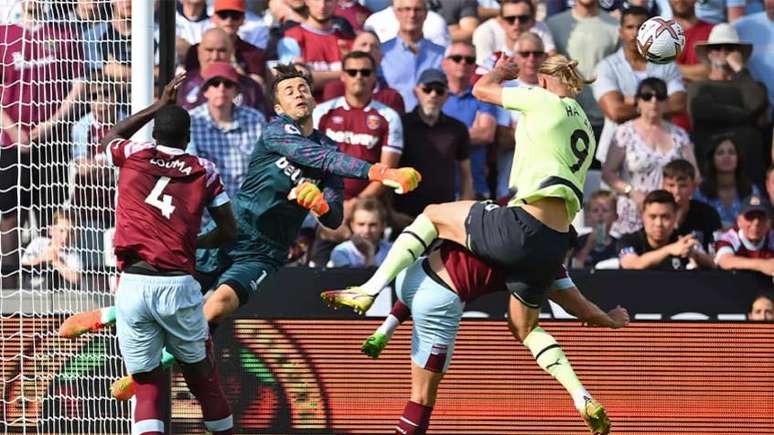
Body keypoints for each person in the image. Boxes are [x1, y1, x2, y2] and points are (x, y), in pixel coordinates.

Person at [60, 64, 422, 399]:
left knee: (216, 307)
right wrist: (381, 173)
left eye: (302, 88)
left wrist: (321, 206)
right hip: (230, 230)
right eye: (289, 91)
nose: (298, 93)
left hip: (266, 252)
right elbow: (318, 159)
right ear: (279, 107)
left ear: (313, 98)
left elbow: (334, 218)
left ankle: (153, 369)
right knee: (171, 297)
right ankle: (111, 316)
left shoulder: (332, 150)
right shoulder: (277, 133)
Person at [322, 53, 608, 432]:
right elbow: (575, 302)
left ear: (542, 81)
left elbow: (481, 90)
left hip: (516, 227)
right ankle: (581, 396)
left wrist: (502, 73)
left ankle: (370, 289)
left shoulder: (543, 99)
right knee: (525, 328)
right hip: (554, 239)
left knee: (435, 213)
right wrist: (606, 318)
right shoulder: (587, 127)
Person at [341, 240, 628, 434]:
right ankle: (580, 394)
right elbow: (582, 310)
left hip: (410, 274)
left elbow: (437, 221)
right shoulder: (550, 260)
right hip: (439, 301)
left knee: (426, 270)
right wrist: (611, 319)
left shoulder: (489, 217)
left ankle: (383, 329)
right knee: (422, 398)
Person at [97, 75, 238, 435]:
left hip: (133, 283)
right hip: (178, 284)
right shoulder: (204, 170)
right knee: (203, 378)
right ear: (187, 138)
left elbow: (109, 138)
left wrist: (157, 105)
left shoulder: (133, 155)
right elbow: (229, 230)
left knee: (146, 385)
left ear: (155, 133)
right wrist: (198, 242)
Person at [601, 78, 698, 235]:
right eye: (647, 96)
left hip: (668, 215)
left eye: (660, 96)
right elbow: (608, 173)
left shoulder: (679, 135)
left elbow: (694, 174)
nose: (654, 101)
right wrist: (631, 191)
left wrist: (680, 201)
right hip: (632, 211)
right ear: (638, 102)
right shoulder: (624, 132)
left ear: (666, 102)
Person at [594, 7, 688, 160]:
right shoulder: (606, 67)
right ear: (620, 31)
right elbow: (615, 112)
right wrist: (658, 105)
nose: (636, 33)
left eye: (642, 27)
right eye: (630, 27)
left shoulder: (667, 65)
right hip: (616, 156)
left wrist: (629, 100)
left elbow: (679, 104)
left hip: (660, 154)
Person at [687, 24, 769, 183]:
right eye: (717, 48)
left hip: (750, 171)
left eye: (729, 48)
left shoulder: (752, 85)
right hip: (711, 170)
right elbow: (704, 112)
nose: (723, 52)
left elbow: (757, 103)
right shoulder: (698, 87)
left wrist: (740, 69)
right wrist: (747, 116)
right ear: (709, 54)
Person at [393, 69, 474, 218]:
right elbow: (388, 168)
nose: (433, 95)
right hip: (404, 214)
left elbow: (466, 174)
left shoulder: (457, 129)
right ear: (416, 91)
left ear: (447, 96)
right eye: (427, 89)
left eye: (439, 90)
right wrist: (391, 213)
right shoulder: (400, 124)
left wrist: (465, 214)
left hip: (444, 216)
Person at [189, 62, 267, 198]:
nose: (221, 88)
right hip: (206, 208)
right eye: (215, 83)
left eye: (228, 84)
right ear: (205, 91)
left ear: (236, 91)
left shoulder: (255, 119)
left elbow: (265, 166)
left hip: (248, 205)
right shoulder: (191, 121)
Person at [441, 41, 497, 199]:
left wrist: (444, 135)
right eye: (457, 58)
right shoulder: (435, 93)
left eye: (469, 60)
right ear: (444, 63)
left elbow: (486, 134)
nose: (463, 63)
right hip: (441, 188)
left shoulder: (483, 96)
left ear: (474, 66)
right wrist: (471, 132)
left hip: (476, 188)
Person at [618, 190, 715, 270]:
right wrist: (669, 250)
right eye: (652, 217)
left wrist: (694, 254)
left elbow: (715, 265)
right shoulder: (628, 241)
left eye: (665, 217)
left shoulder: (683, 240)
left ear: (675, 217)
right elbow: (632, 265)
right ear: (642, 216)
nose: (658, 223)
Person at [177, 27, 265, 112]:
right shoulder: (182, 85)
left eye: (221, 51)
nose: (215, 57)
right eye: (209, 50)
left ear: (231, 52)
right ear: (199, 51)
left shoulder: (250, 88)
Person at [379, 0, 446, 111]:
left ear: (426, 14)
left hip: (431, 121)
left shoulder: (441, 53)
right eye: (406, 9)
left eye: (417, 9)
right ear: (396, 13)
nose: (412, 15)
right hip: (394, 119)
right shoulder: (382, 53)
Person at [321, 30, 406, 113]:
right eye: (363, 45)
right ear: (352, 51)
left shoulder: (391, 97)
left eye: (374, 46)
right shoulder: (335, 90)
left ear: (381, 57)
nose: (368, 49)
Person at [693, 134, 762, 229]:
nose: (726, 156)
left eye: (731, 152)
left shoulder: (751, 190)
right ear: (712, 159)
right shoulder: (700, 192)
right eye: (720, 153)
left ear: (738, 158)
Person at [660, 159, 722, 252]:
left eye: (683, 186)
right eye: (671, 185)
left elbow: (717, 252)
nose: (676, 191)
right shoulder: (655, 213)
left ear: (693, 186)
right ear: (663, 186)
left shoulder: (708, 214)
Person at [471, 0, 556, 66]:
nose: (517, 23)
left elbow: (552, 60)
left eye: (523, 19)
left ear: (532, 21)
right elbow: (483, 69)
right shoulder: (484, 31)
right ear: (501, 21)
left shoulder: (540, 27)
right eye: (510, 19)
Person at [21, 211, 82, 290]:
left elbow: (76, 278)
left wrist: (56, 262)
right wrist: (41, 259)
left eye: (71, 233)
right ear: (51, 230)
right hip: (31, 294)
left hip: (60, 298)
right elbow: (23, 265)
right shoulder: (38, 243)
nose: (66, 236)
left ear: (77, 236)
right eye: (61, 231)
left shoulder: (72, 254)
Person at [714, 195, 774, 275]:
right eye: (750, 217)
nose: (756, 223)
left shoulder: (771, 237)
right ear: (739, 221)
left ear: (768, 222)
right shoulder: (729, 238)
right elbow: (725, 261)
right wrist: (763, 265)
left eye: (761, 217)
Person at [328, 197, 392, 267]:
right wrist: (368, 255)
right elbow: (354, 277)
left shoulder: (392, 251)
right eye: (361, 224)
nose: (366, 231)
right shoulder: (341, 252)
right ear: (352, 226)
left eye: (373, 225)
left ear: (383, 226)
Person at [571, 190, 619, 268]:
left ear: (615, 216)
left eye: (605, 210)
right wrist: (587, 247)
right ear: (588, 217)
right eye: (595, 210)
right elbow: (574, 268)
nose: (600, 214)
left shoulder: (619, 245)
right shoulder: (578, 242)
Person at [670, 0, 713, 83]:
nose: (680, 1)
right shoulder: (657, 33)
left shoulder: (712, 31)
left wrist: (667, 69)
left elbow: (712, 70)